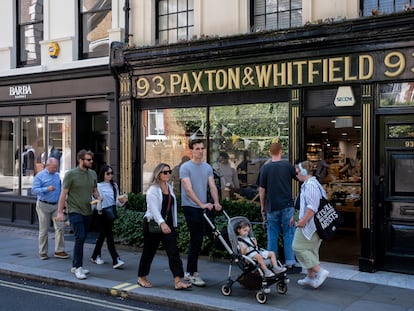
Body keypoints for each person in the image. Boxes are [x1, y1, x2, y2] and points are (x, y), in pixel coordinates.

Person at [137, 163, 192, 290]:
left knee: (173, 252)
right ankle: (142, 277)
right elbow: (154, 210)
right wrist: (162, 223)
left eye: (169, 172)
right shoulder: (153, 190)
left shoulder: (169, 187)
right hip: (153, 225)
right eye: (165, 172)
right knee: (148, 252)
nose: (168, 174)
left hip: (168, 225)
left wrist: (171, 224)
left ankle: (178, 280)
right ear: (158, 174)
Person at [180, 138, 222, 286]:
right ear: (191, 150)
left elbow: (212, 186)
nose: (200, 151)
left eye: (202, 148)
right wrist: (201, 204)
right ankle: (190, 272)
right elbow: (188, 189)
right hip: (191, 207)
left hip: (204, 207)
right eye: (197, 148)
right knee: (196, 239)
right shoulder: (185, 167)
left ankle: (193, 271)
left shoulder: (207, 167)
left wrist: (216, 202)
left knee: (214, 235)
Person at [56, 149, 101, 280]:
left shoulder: (92, 174)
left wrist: (98, 198)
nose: (91, 162)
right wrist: (60, 212)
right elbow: (63, 194)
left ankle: (75, 266)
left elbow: (95, 190)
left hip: (88, 210)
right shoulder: (71, 174)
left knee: (82, 238)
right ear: (80, 160)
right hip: (74, 210)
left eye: (91, 159)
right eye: (88, 160)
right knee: (80, 237)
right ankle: (78, 267)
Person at [258, 142, 301, 273]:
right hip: (287, 205)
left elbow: (261, 190)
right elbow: (299, 178)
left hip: (272, 206)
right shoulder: (288, 166)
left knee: (272, 234)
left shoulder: (265, 169)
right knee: (289, 233)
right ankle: (290, 263)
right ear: (281, 152)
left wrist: (262, 206)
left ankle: (272, 263)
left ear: (270, 153)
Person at [292, 160, 329, 288]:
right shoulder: (310, 183)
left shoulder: (311, 185)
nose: (296, 175)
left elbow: (312, 207)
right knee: (310, 250)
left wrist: (302, 221)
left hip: (310, 225)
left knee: (298, 247)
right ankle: (310, 276)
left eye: (297, 172)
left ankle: (320, 271)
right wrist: (295, 217)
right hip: (311, 224)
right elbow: (304, 205)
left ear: (303, 172)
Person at [90, 165, 127, 269]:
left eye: (111, 173)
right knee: (109, 236)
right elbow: (93, 202)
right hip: (101, 213)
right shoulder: (98, 186)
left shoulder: (114, 185)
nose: (110, 175)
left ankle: (94, 255)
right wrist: (98, 200)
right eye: (108, 173)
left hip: (111, 213)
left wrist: (122, 202)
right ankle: (116, 259)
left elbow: (116, 202)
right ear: (103, 174)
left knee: (103, 235)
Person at [31, 157, 68, 260]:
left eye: (56, 167)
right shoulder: (40, 176)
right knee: (44, 229)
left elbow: (61, 190)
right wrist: (46, 189)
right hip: (43, 205)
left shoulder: (57, 176)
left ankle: (59, 250)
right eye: (53, 167)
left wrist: (63, 202)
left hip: (56, 205)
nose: (55, 169)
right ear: (47, 166)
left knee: (60, 227)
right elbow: (33, 190)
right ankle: (43, 252)